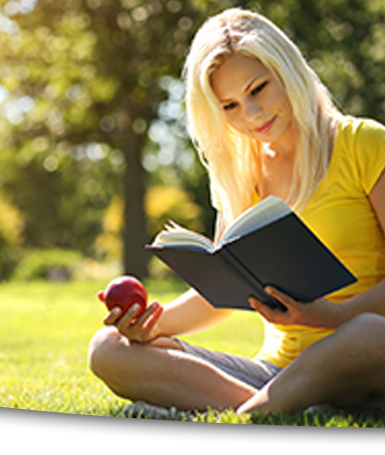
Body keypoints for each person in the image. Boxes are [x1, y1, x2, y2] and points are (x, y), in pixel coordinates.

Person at [88, 7, 385, 417]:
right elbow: (228, 294)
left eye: (258, 88)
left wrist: (333, 315)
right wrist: (152, 325)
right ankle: (276, 410)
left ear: (288, 70)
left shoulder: (362, 143)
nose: (252, 114)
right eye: (229, 106)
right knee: (107, 350)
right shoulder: (240, 173)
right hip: (277, 372)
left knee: (369, 334)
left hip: (366, 355)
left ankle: (248, 416)